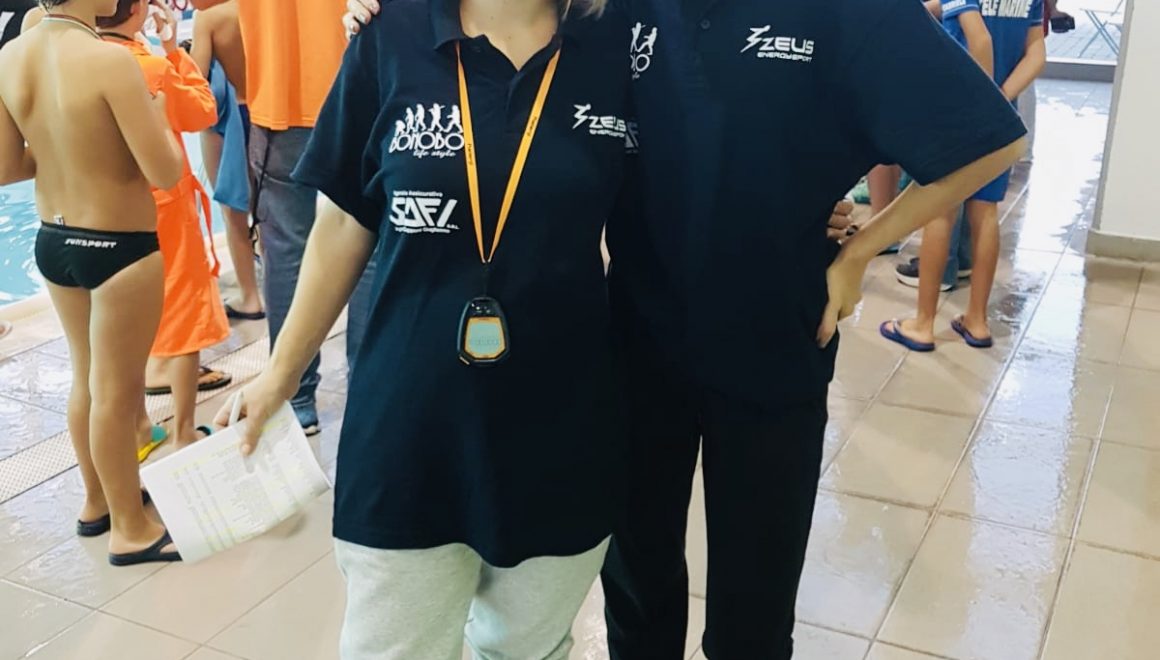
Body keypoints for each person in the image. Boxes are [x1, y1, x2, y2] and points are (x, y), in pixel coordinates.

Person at [218, 0, 634, 656]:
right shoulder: (391, 37)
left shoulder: (617, 45)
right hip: (409, 426)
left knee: (530, 648)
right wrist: (282, 371)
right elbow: (341, 224)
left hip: (561, 427)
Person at [0, 0, 185, 565]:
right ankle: (130, 529)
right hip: (118, 248)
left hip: (54, 241)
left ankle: (98, 501)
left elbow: (6, 168)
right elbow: (166, 171)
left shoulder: (10, 56)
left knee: (86, 378)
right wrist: (156, 113)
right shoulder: (109, 62)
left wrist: (66, 147)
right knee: (117, 391)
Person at [189, 0, 369, 435]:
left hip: (282, 97)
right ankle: (368, 392)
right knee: (371, 249)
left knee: (287, 252)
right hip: (364, 88)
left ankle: (297, 399)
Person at [92, 0, 232, 450]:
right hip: (165, 204)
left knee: (122, 322)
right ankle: (184, 430)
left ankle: (137, 425)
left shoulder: (82, 63)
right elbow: (202, 111)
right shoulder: (150, 68)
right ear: (137, 10)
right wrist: (172, 47)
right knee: (185, 309)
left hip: (106, 209)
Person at [884, 0, 1046, 353]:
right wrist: (1001, 100)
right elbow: (1036, 54)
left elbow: (980, 38)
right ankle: (977, 320)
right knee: (986, 212)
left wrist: (980, 104)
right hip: (1002, 115)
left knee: (940, 212)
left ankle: (922, 324)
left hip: (958, 110)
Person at [191, 0, 265, 321]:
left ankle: (250, 297)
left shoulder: (208, 19)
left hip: (230, 124)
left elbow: (195, 83)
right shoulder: (264, 8)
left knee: (233, 214)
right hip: (268, 114)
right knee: (271, 209)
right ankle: (279, 286)